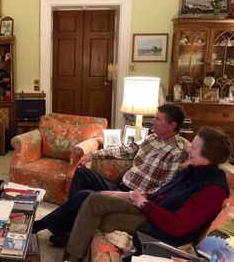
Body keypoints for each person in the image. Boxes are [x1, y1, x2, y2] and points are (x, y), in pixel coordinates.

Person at [64, 126, 232, 262]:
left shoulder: (213, 190)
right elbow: (169, 193)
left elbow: (177, 226)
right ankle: (72, 255)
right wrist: (141, 197)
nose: (189, 150)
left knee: (100, 218)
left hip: (159, 227)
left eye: (194, 147)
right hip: (151, 207)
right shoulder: (194, 169)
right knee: (94, 200)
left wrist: (145, 205)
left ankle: (73, 257)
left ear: (208, 156)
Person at [32, 102, 188, 245]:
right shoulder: (152, 138)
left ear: (172, 125)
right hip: (121, 185)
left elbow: (163, 189)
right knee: (81, 173)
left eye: (157, 119)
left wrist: (130, 195)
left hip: (132, 198)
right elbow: (127, 150)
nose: (153, 121)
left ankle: (39, 225)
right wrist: (94, 154)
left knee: (86, 195)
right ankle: (69, 227)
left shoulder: (177, 150)